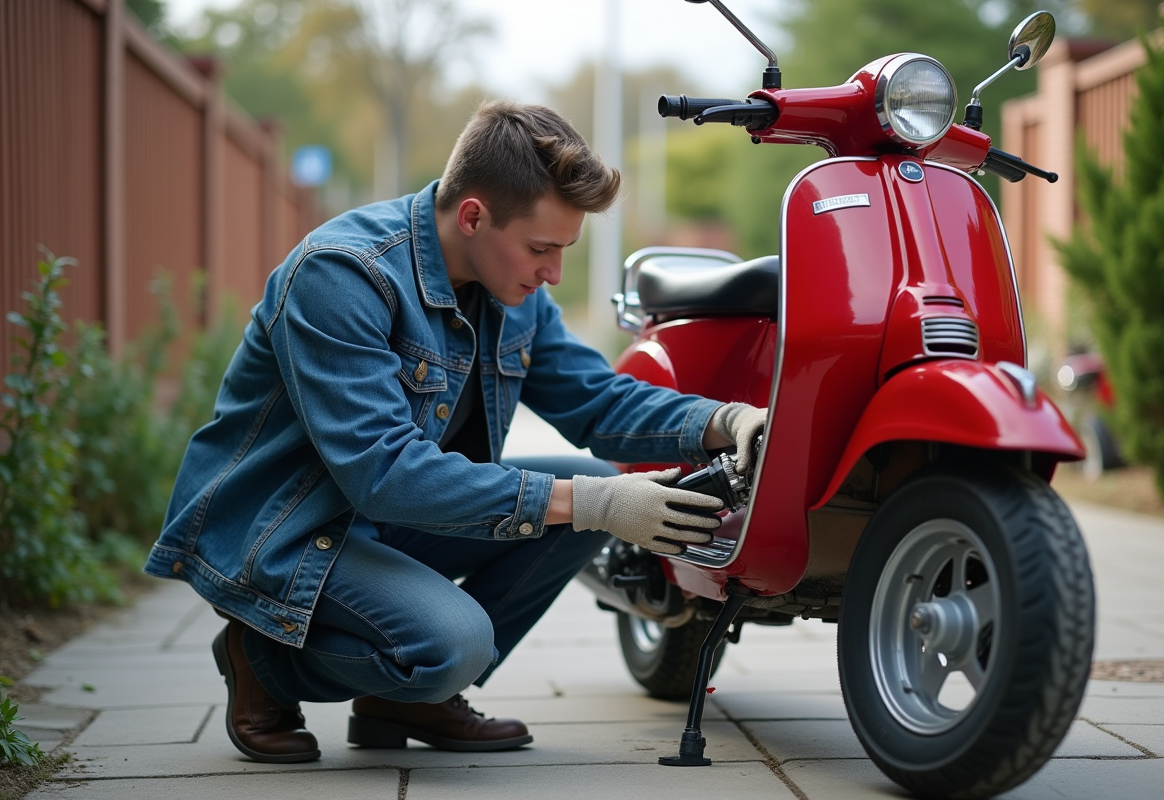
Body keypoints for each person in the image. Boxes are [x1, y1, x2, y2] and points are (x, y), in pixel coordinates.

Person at [144, 100, 766, 763]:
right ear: (472, 216)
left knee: (588, 485)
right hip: (290, 529)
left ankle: (406, 698)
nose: (553, 273)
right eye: (541, 248)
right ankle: (265, 659)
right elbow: (384, 473)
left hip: (389, 519)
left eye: (564, 250)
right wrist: (596, 505)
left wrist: (724, 421)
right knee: (459, 640)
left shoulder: (512, 293)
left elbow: (595, 399)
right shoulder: (342, 275)